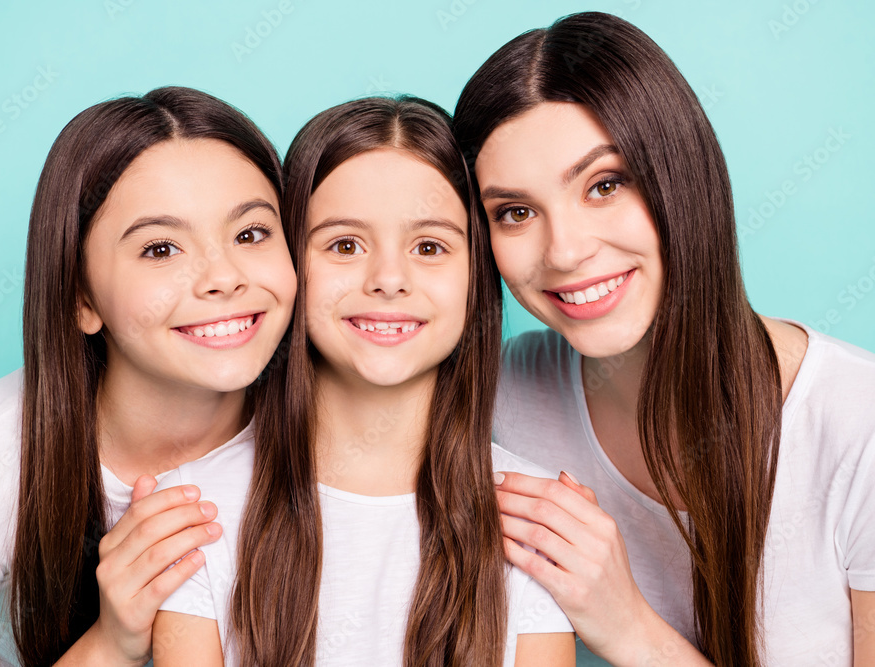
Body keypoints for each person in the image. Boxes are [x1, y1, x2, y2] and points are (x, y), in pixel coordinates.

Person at [453, 11, 875, 667]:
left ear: (681, 173)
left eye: (605, 185)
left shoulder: (868, 429)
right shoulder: (497, 404)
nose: (566, 251)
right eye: (514, 212)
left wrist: (627, 625)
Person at [151, 96, 576, 666]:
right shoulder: (194, 513)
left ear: (477, 276)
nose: (389, 280)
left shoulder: (534, 522)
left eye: (429, 247)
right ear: (289, 262)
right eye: (345, 245)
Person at [0, 86, 296, 666]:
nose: (223, 277)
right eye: (160, 249)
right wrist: (112, 643)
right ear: (81, 296)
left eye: (251, 234)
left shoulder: (345, 427)